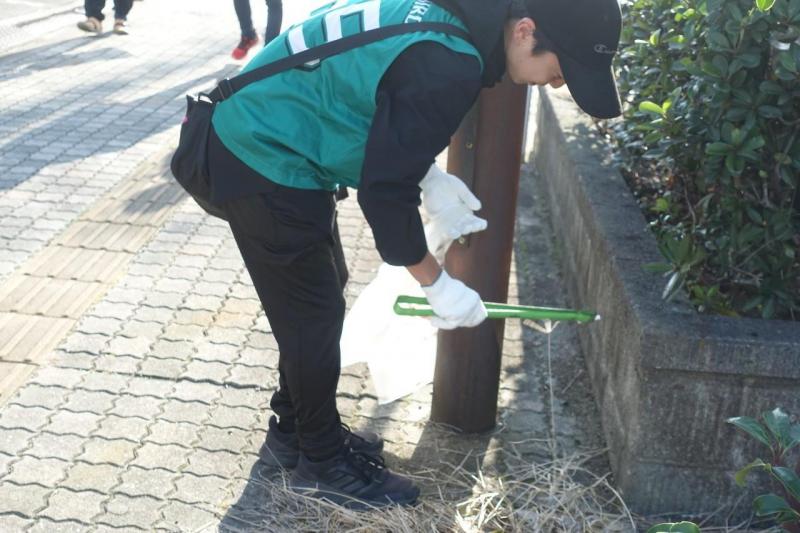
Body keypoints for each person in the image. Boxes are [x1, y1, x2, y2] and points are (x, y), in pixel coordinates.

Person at [207, 0, 622, 509]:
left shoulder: (448, 22)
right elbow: (383, 195)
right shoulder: (452, 61)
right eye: (560, 69)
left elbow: (379, 84)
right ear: (526, 31)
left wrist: (426, 175)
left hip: (263, 136)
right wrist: (437, 284)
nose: (557, 85)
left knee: (319, 300)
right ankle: (320, 462)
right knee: (312, 316)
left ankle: (297, 432)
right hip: (253, 152)